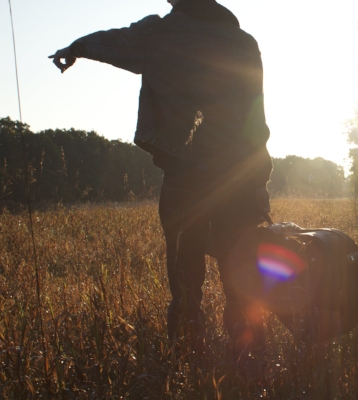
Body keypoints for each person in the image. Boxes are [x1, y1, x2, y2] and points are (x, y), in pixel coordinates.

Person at [50, 0, 272, 361]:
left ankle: (186, 360)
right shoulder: (244, 43)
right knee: (241, 275)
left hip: (187, 173)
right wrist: (258, 174)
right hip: (239, 175)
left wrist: (75, 48)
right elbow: (256, 117)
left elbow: (113, 43)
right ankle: (250, 360)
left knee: (185, 282)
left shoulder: (160, 33)